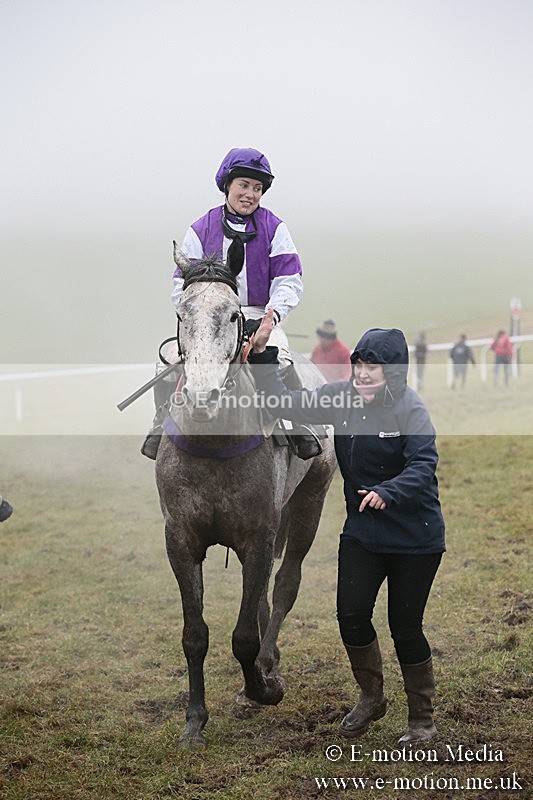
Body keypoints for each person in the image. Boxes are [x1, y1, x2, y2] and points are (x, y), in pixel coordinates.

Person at [250, 314, 445, 744]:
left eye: (371, 368)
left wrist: (388, 491)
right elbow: (285, 405)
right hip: (363, 533)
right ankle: (372, 698)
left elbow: (424, 464)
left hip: (416, 537)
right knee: (352, 617)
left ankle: (421, 719)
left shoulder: (410, 408)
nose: (360, 374)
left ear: (391, 373)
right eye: (357, 366)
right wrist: (263, 355)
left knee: (405, 626)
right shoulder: (341, 398)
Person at [141, 147, 320, 460]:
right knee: (168, 358)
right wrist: (200, 318)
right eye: (244, 185)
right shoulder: (200, 228)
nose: (250, 194)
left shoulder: (275, 228)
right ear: (227, 185)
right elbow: (178, 285)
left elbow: (289, 278)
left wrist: (270, 318)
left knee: (282, 357)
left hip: (258, 315)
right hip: (208, 317)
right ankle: (160, 423)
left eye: (257, 188)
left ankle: (294, 425)